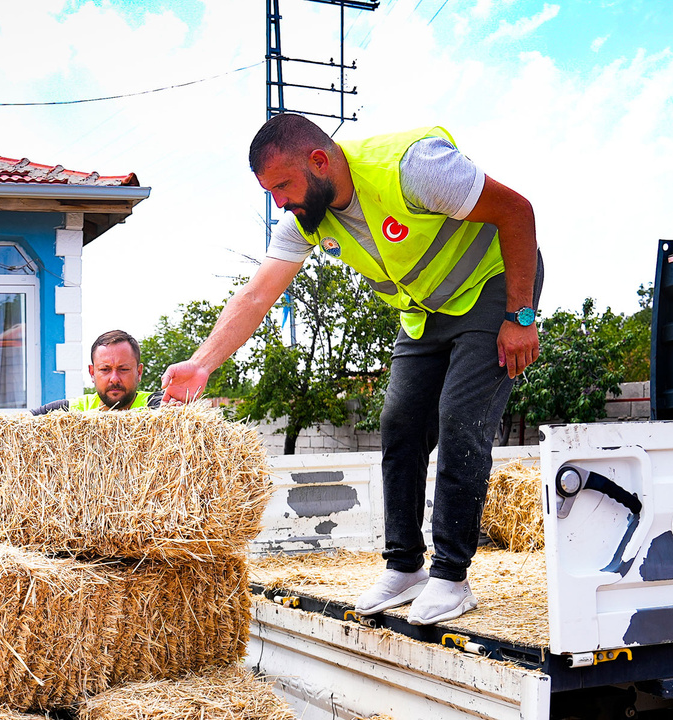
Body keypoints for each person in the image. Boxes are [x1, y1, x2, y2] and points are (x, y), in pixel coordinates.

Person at [161, 114, 544, 625]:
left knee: (459, 417)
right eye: (270, 191)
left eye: (282, 186)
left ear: (319, 162)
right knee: (400, 424)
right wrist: (202, 364)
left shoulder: (414, 169)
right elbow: (256, 295)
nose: (280, 201)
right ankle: (405, 567)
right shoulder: (306, 218)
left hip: (493, 286)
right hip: (426, 311)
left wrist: (519, 317)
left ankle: (452, 576)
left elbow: (518, 212)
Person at [32, 330, 163, 415]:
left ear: (139, 372)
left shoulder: (154, 405)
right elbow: (19, 424)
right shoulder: (74, 410)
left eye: (123, 369)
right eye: (105, 370)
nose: (114, 379)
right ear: (92, 373)